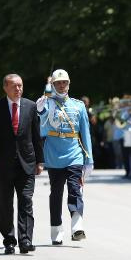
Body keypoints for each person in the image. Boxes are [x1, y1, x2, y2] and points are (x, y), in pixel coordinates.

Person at [0, 74, 44, 255]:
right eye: (14, 86)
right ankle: (9, 240)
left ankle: (25, 241)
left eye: (20, 86)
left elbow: (36, 135)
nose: (18, 89)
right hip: (2, 165)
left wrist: (40, 161)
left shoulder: (31, 106)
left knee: (26, 201)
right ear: (5, 88)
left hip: (26, 163)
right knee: (5, 204)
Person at [36, 69, 94, 245]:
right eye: (58, 83)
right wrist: (42, 103)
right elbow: (42, 114)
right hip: (54, 154)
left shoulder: (78, 105)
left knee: (75, 189)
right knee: (56, 193)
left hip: (74, 153)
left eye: (64, 82)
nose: (62, 86)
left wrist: (89, 159)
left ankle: (77, 226)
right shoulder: (48, 103)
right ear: (53, 85)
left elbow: (85, 133)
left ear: (69, 84)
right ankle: (56, 228)